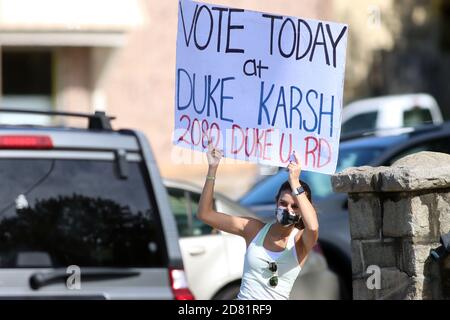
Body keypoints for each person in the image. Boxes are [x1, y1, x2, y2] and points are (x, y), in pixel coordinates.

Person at [198, 143, 319, 300]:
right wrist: (212, 169)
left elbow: (313, 226)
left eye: (295, 206)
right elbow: (205, 214)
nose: (287, 209)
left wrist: (295, 181)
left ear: (302, 212)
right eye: (283, 203)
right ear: (276, 202)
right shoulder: (254, 229)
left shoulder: (299, 242)